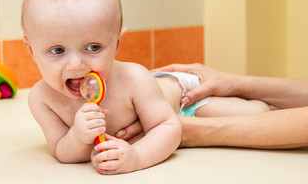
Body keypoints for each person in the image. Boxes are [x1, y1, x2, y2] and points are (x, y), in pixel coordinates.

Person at [20, 0, 181, 175]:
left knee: (229, 109)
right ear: (31, 51)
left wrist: (137, 156)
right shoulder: (42, 99)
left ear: (117, 44)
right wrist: (78, 136)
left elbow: (168, 126)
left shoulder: (135, 78)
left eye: (93, 47)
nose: (76, 65)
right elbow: (62, 151)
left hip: (184, 96)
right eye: (58, 50)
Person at [116, 63, 308, 149]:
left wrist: (178, 130)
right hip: (186, 90)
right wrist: (235, 82)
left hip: (185, 99)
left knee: (259, 110)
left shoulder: (132, 75)